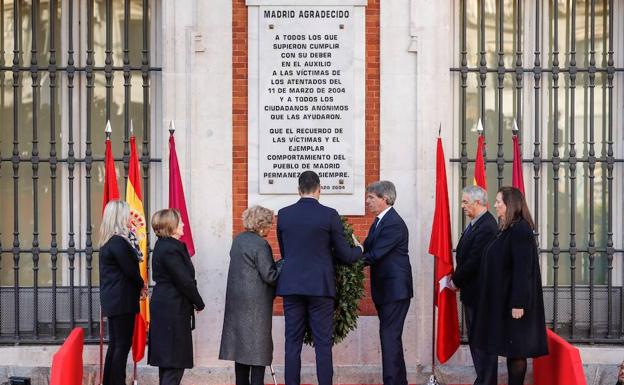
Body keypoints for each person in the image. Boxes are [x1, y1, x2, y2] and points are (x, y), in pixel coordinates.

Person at [277, 170, 363, 385]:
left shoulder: (284, 214)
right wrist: (359, 250)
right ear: (319, 189)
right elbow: (344, 254)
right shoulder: (329, 214)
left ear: (298, 190)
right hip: (320, 286)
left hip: (292, 285)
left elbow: (285, 252)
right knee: (323, 344)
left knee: (292, 343)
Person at [471, 186, 548, 385]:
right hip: (506, 302)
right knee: (512, 349)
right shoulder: (508, 228)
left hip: (516, 305)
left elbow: (523, 270)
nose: (495, 205)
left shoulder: (520, 229)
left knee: (517, 352)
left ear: (510, 204)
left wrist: (518, 303)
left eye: (499, 201)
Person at [356, 181, 413, 385]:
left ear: (385, 199)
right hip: (386, 291)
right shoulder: (379, 221)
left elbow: (375, 254)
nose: (367, 201)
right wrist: (353, 250)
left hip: (395, 292)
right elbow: (366, 248)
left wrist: (349, 261)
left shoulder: (394, 223)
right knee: (391, 340)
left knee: (389, 339)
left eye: (371, 197)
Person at [219, 205, 280, 385]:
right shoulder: (260, 244)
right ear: (261, 224)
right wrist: (283, 266)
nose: (270, 228)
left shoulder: (238, 240)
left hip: (237, 305)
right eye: (269, 224)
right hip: (256, 307)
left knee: (241, 353)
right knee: (258, 354)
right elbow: (270, 276)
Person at [148, 208, 205, 385]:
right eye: (180, 222)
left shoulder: (163, 245)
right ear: (171, 226)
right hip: (172, 307)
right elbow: (184, 280)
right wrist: (199, 303)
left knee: (168, 361)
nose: (183, 224)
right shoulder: (171, 248)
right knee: (173, 361)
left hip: (166, 305)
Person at [449, 185, 498, 385]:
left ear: (478, 203)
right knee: (476, 341)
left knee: (483, 343)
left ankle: (486, 381)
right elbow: (464, 254)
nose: (462, 206)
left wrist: (455, 280)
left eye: (465, 202)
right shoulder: (475, 224)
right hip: (472, 292)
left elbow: (474, 260)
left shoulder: (487, 226)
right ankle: (483, 380)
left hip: (481, 295)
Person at [99, 200, 145, 385]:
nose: (130, 217)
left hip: (114, 299)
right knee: (122, 345)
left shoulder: (110, 241)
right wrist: (142, 284)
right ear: (119, 217)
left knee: (116, 344)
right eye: (127, 214)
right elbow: (131, 271)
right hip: (122, 300)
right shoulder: (119, 242)